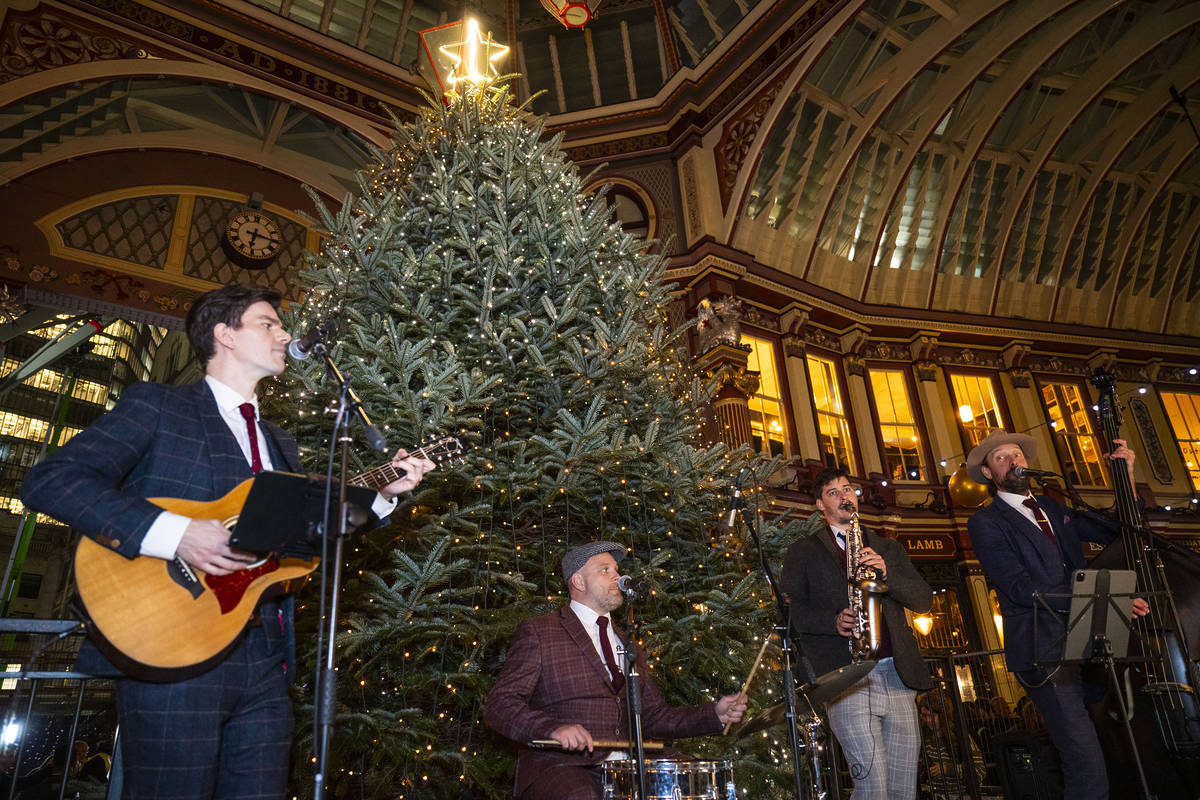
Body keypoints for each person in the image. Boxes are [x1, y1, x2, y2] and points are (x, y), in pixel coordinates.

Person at [20, 284, 435, 800]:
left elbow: (303, 528)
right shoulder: (159, 406)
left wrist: (381, 494)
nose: (285, 333)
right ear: (224, 334)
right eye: (268, 323)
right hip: (170, 643)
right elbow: (52, 482)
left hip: (264, 655)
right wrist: (177, 534)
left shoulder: (279, 441)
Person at [482, 540, 748, 800]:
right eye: (605, 570)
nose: (618, 577)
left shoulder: (628, 642)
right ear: (579, 581)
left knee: (689, 778)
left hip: (627, 768)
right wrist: (552, 729)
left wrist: (715, 713)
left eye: (616, 570)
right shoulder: (541, 632)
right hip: (563, 767)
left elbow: (655, 716)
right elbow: (499, 705)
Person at [965, 429, 1149, 800]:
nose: (1012, 461)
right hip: (1042, 648)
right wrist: (1099, 599)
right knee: (1082, 751)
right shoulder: (986, 522)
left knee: (1109, 741)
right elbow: (1019, 587)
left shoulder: (1052, 507)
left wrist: (1126, 477)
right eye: (1000, 457)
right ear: (987, 473)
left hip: (1089, 637)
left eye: (1016, 454)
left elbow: (1115, 528)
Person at [780, 467, 933, 800]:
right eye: (833, 492)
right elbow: (789, 612)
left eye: (848, 489)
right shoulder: (803, 552)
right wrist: (831, 621)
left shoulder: (888, 549)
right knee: (872, 784)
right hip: (846, 677)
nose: (844, 496)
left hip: (896, 672)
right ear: (820, 505)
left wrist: (886, 572)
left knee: (904, 787)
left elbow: (923, 600)